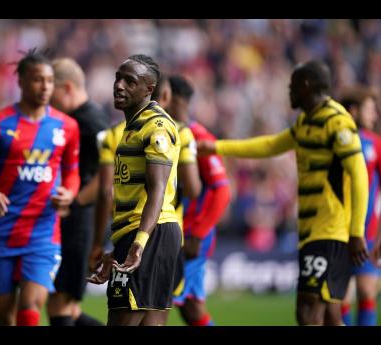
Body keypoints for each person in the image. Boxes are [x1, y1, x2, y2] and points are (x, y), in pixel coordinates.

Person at [198, 60, 369, 326]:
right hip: (312, 231)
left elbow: (359, 175)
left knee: (307, 309)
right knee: (330, 314)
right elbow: (270, 145)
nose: (289, 91)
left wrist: (356, 231)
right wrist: (218, 147)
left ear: (307, 85)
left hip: (331, 230)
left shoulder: (336, 122)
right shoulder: (305, 121)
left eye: (292, 86)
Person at [0, 48, 81, 326]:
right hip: (3, 232)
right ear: (21, 81)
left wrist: (69, 193)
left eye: (50, 80)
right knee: (3, 318)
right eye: (38, 80)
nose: (45, 87)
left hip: (43, 233)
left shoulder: (67, 127)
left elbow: (72, 174)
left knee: (30, 307)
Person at [87, 54, 181, 326]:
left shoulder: (157, 126)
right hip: (144, 235)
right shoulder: (131, 128)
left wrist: (138, 244)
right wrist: (118, 249)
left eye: (130, 81)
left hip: (149, 234)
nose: (119, 86)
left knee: (121, 319)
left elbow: (157, 190)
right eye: (118, 77)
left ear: (149, 89)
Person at [47, 58, 108, 326]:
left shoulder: (90, 120)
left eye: (52, 94)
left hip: (82, 223)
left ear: (67, 88)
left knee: (59, 303)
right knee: (66, 308)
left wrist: (76, 200)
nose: (48, 103)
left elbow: (113, 172)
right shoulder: (80, 118)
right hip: (77, 221)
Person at [168, 75, 230, 326]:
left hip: (192, 234)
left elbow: (222, 190)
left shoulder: (197, 136)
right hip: (177, 230)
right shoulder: (167, 133)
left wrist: (198, 233)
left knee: (163, 301)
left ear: (175, 100)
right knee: (189, 306)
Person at [338, 85, 381, 326]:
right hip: (338, 230)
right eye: (369, 109)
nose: (374, 115)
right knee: (341, 296)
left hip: (368, 233)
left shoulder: (375, 143)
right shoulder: (338, 141)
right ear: (353, 111)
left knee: (366, 290)